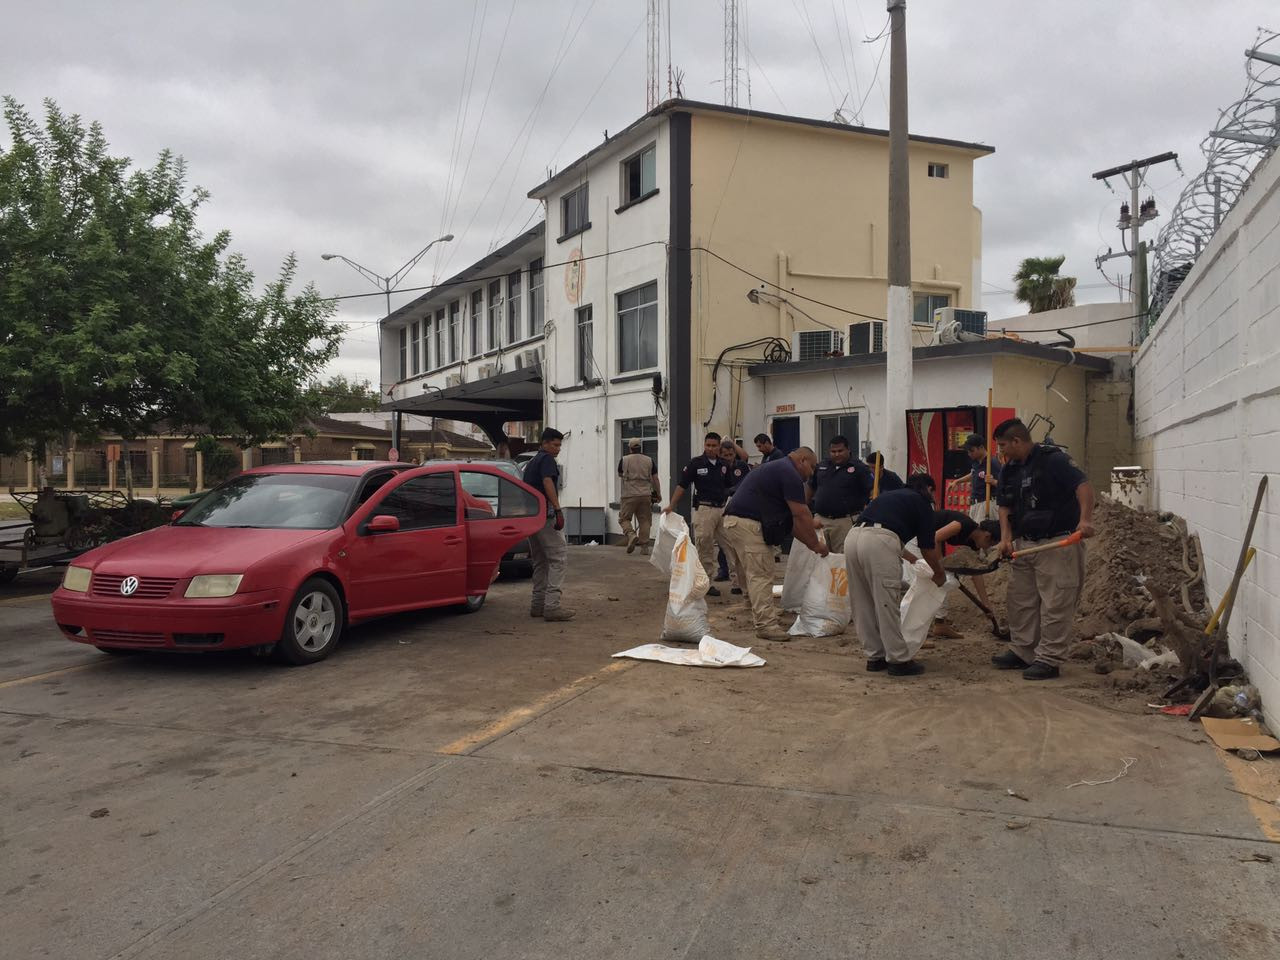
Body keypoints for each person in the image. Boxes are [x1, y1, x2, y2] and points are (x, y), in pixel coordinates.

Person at [991, 418, 1095, 680]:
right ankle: (1023, 651)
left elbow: (1082, 486)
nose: (1001, 451)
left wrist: (1085, 520)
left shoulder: (1054, 460)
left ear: (1017, 440)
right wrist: (1005, 538)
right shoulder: (1009, 469)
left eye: (1003, 445)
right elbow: (1005, 505)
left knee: (1055, 603)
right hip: (1025, 544)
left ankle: (1049, 658)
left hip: (1057, 543)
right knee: (1021, 601)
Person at [720, 448, 828, 641]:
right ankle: (765, 625)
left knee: (752, 572)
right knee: (761, 574)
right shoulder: (789, 473)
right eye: (811, 467)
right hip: (749, 524)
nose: (811, 473)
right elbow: (800, 514)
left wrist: (812, 541)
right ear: (802, 460)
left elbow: (791, 524)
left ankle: (762, 611)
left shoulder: (777, 468)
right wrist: (816, 544)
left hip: (734, 522)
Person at [844, 485, 947, 677]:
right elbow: (927, 548)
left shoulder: (891, 496)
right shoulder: (924, 504)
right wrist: (938, 573)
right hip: (879, 541)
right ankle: (898, 660)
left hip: (852, 538)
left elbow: (886, 536)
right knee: (886, 601)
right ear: (930, 492)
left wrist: (912, 559)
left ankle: (875, 657)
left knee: (862, 601)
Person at [664, 432, 732, 597]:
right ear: (704, 445)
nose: (710, 448)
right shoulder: (696, 464)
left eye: (714, 446)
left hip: (722, 510)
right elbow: (682, 485)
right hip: (704, 510)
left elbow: (730, 488)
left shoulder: (724, 464)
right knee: (705, 548)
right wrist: (671, 505)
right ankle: (705, 584)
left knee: (732, 546)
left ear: (719, 447)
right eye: (708, 445)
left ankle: (741, 585)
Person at [523, 427, 574, 622]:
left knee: (541, 561)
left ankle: (538, 605)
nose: (558, 448)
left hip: (532, 517)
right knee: (558, 557)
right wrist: (558, 509)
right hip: (545, 516)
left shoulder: (532, 462)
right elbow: (547, 482)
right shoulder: (546, 460)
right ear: (544, 444)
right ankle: (552, 606)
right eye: (555, 444)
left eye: (560, 445)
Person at [808, 435, 875, 553]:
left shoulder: (859, 468)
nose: (836, 454)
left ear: (848, 449)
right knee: (817, 558)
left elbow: (873, 492)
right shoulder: (822, 465)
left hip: (845, 522)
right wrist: (808, 514)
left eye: (840, 451)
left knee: (842, 561)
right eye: (833, 451)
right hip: (820, 521)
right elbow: (811, 488)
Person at [714, 438, 752, 591]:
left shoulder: (741, 466)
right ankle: (724, 571)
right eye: (725, 456)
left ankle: (738, 578)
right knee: (723, 544)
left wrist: (732, 442)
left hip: (737, 507)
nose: (728, 458)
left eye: (731, 455)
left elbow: (744, 481)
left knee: (735, 544)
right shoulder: (718, 467)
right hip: (721, 506)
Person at [617, 439, 660, 554]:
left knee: (624, 518)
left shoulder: (624, 459)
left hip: (629, 494)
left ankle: (631, 535)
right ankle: (645, 547)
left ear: (630, 448)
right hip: (645, 494)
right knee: (645, 520)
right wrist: (658, 493)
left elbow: (620, 474)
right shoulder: (649, 460)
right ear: (640, 448)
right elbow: (655, 478)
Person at [964, 433, 1001, 521]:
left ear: (981, 447)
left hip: (987, 503)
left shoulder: (992, 463)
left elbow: (1003, 484)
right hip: (975, 504)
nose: (969, 453)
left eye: (972, 450)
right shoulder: (976, 463)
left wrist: (993, 481)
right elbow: (973, 475)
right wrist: (957, 481)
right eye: (968, 451)